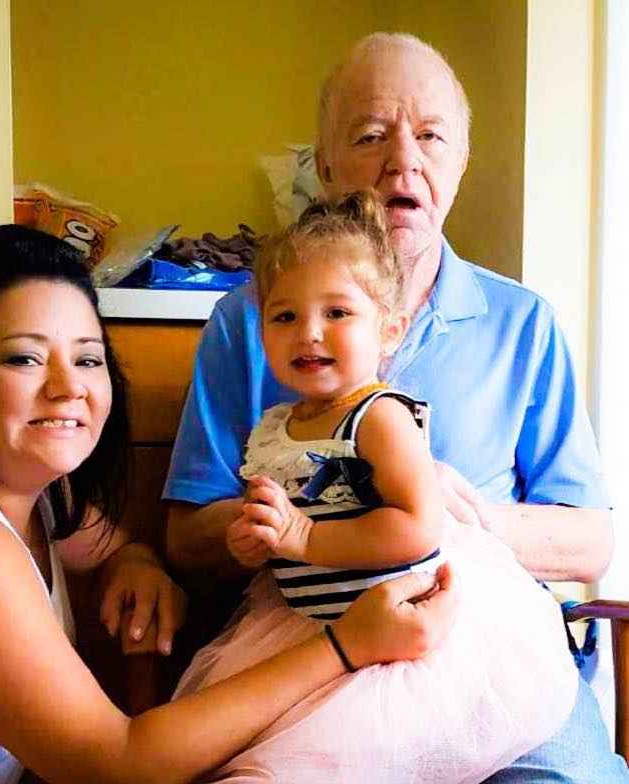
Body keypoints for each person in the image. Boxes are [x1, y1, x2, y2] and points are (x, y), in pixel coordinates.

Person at [165, 32, 628, 781]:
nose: (403, 159)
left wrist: (455, 513)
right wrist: (274, 527)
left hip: (481, 657)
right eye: (372, 135)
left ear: (459, 164)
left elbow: (591, 543)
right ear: (324, 168)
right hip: (302, 646)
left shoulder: (523, 324)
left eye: (432, 136)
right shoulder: (249, 320)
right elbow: (186, 534)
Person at [0, 225, 458, 784]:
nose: (70, 387)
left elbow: (115, 544)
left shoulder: (37, 490)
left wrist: (135, 563)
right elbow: (115, 764)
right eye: (25, 357)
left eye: (88, 358)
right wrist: (347, 645)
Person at [172, 191, 578, 782]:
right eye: (284, 317)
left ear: (389, 330)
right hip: (304, 628)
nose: (309, 333)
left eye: (336, 313)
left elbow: (417, 526)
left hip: (394, 634)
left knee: (295, 770)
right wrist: (252, 542)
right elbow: (277, 528)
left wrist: (304, 536)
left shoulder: (380, 416)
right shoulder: (275, 426)